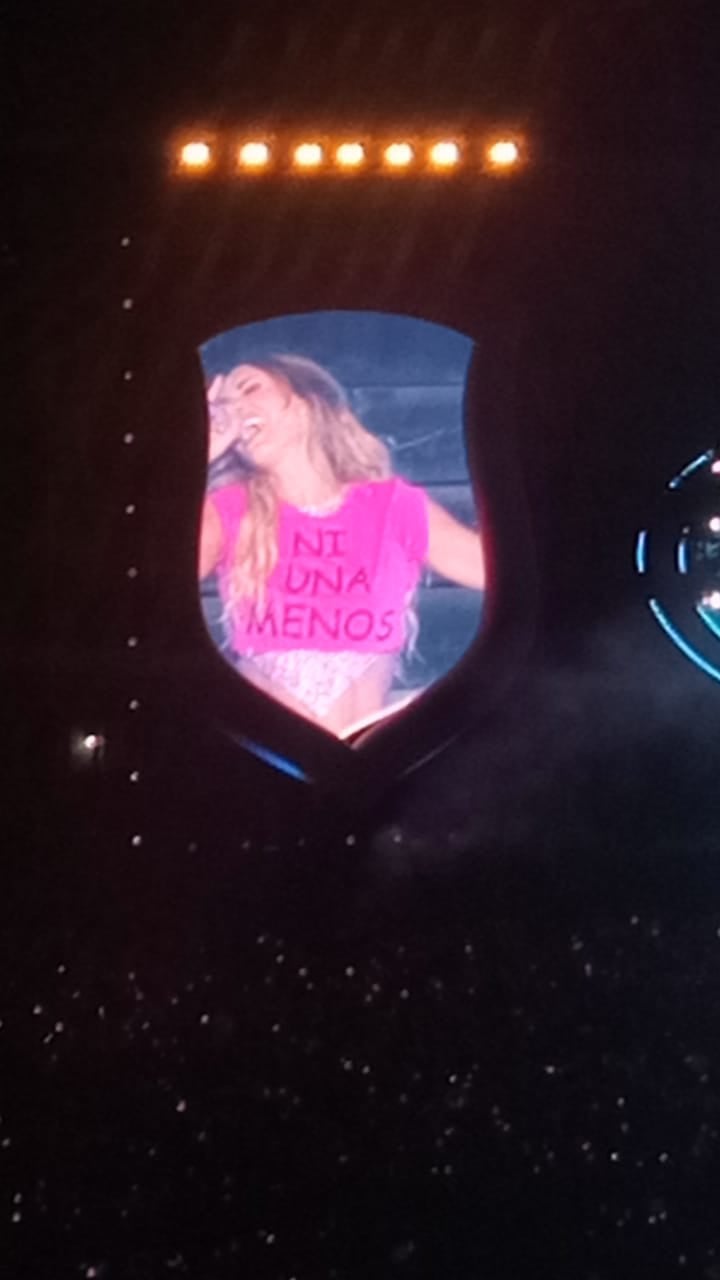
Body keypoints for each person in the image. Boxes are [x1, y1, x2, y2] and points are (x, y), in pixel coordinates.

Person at [199, 354, 485, 737]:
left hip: (367, 751)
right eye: (224, 403)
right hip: (261, 750)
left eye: (250, 388)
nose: (234, 408)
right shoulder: (230, 508)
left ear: (306, 404)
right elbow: (155, 576)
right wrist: (196, 453)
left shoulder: (392, 506)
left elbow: (499, 570)